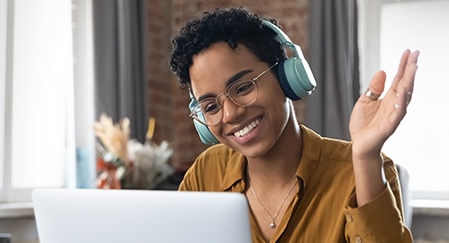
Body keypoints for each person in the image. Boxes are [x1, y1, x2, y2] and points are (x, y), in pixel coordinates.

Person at [169, 7, 419, 243]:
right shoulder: (205, 174)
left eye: (244, 87)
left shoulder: (363, 170)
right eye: (211, 107)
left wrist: (364, 158)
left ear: (287, 77)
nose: (231, 114)